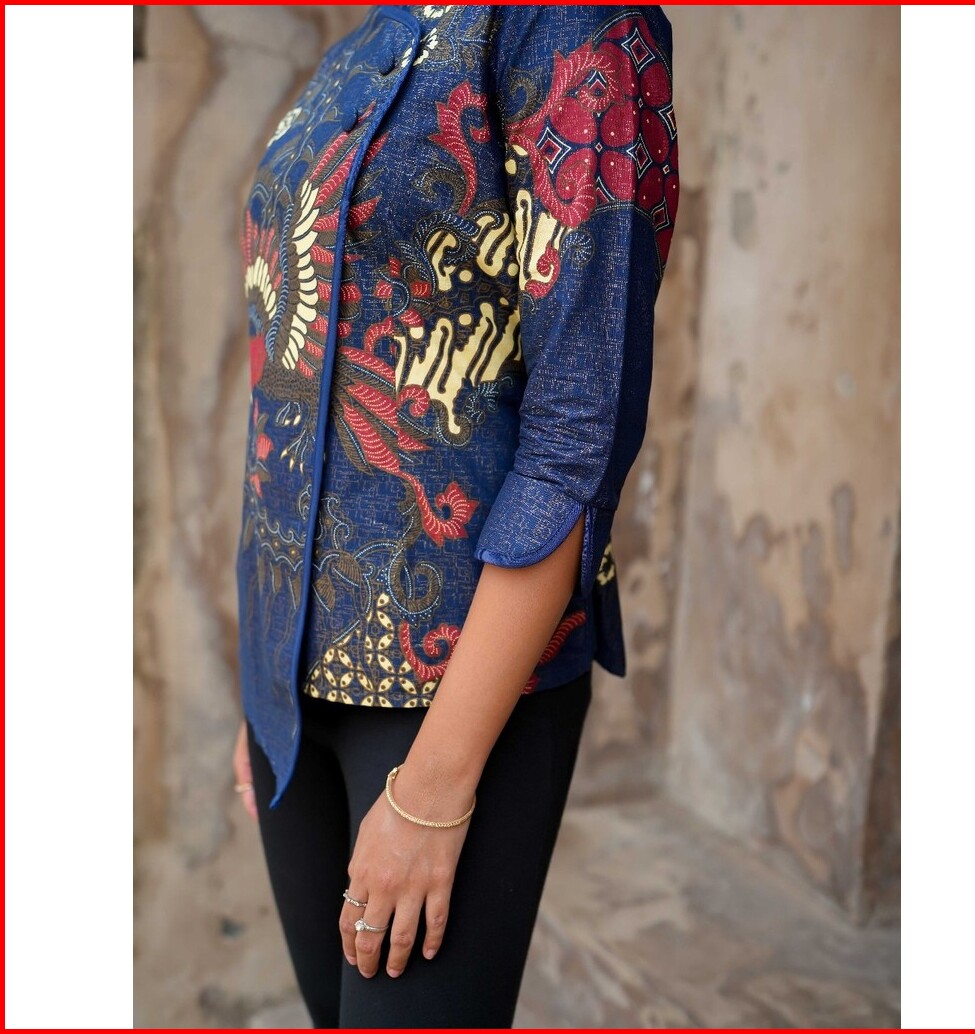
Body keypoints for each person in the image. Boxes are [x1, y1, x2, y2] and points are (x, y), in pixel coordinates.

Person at [230, 4, 679, 1028]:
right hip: (291, 687)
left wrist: (432, 793)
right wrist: (260, 692)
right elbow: (285, 381)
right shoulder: (366, 40)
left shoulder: (577, 28)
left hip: (455, 695)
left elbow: (575, 443)